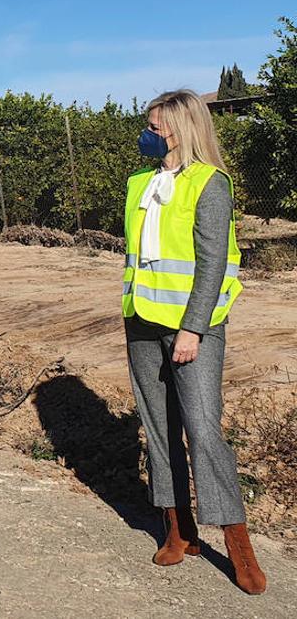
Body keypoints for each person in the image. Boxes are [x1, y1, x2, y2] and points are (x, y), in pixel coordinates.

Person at [122, 90, 265, 595]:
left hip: (192, 327)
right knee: (158, 428)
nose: (147, 134)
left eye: (155, 127)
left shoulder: (210, 183)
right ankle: (178, 529)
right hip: (140, 319)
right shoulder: (139, 182)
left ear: (182, 128)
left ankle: (237, 541)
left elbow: (215, 263)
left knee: (203, 428)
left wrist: (193, 328)